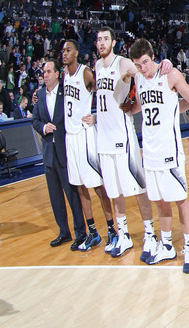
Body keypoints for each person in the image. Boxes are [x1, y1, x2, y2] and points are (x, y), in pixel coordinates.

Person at [129, 39, 189, 271]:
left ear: (153, 57)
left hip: (170, 151)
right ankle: (167, 245)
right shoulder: (139, 78)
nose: (143, 68)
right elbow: (139, 106)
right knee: (159, 200)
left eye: (146, 63)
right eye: (138, 65)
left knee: (180, 200)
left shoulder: (170, 74)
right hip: (149, 152)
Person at [93, 26, 156, 259]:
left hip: (123, 136)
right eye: (99, 39)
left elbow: (144, 71)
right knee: (113, 190)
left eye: (105, 39)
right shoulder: (98, 66)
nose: (101, 43)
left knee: (139, 187)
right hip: (104, 138)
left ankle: (150, 234)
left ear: (113, 42)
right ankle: (124, 234)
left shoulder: (122, 63)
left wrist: (136, 102)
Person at [61, 39, 114, 251]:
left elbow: (105, 97)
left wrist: (96, 116)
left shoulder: (85, 73)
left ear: (76, 53)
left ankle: (112, 230)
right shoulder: (64, 76)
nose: (64, 53)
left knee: (97, 185)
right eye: (63, 50)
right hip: (70, 137)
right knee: (80, 186)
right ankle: (93, 233)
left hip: (85, 135)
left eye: (68, 50)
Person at [31, 59, 88, 248]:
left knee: (72, 194)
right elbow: (35, 121)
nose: (45, 75)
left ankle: (81, 233)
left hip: (65, 150)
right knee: (55, 197)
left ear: (57, 74)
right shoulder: (39, 95)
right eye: (44, 72)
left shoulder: (66, 93)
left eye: (48, 71)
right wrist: (43, 127)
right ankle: (64, 232)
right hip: (48, 153)